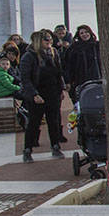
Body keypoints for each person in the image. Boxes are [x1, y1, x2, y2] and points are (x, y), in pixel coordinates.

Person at [19, 30, 66, 162]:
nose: (49, 42)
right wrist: (34, 94)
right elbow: (25, 79)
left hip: (53, 92)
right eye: (46, 39)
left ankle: (55, 146)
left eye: (50, 39)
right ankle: (27, 150)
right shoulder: (29, 57)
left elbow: (58, 72)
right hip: (37, 93)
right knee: (34, 123)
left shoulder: (53, 53)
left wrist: (61, 89)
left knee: (54, 121)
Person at [65, 25, 102, 104]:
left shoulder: (97, 46)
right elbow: (68, 65)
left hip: (97, 79)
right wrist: (69, 81)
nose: (84, 34)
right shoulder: (74, 48)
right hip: (80, 80)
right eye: (82, 33)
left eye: (86, 32)